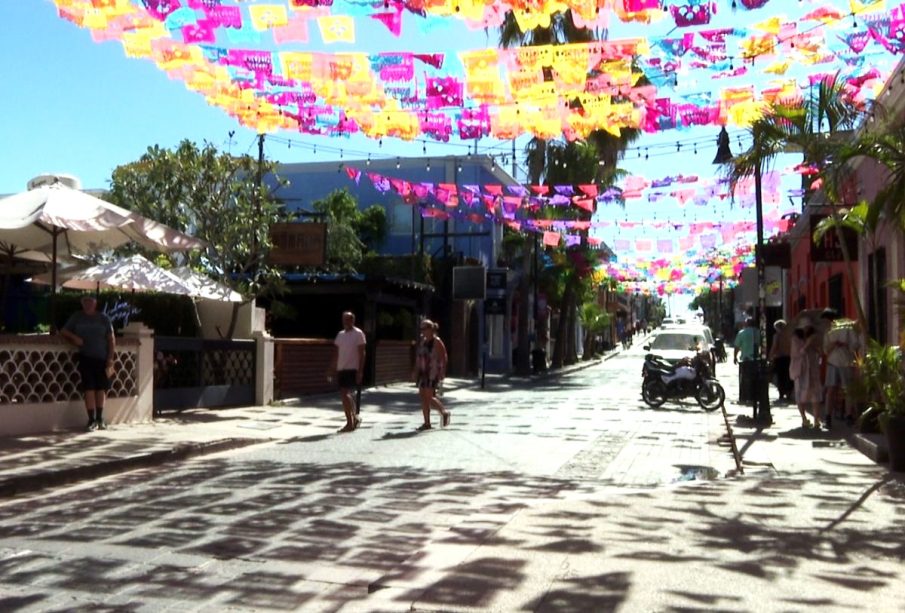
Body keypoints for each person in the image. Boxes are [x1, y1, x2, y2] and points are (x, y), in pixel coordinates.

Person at [59, 296, 115, 432]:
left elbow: (111, 339)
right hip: (85, 357)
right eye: (85, 302)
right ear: (82, 304)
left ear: (95, 304)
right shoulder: (77, 317)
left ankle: (100, 418)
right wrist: (75, 338)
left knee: (101, 388)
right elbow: (64, 331)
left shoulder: (103, 318)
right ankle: (91, 419)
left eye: (90, 302)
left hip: (102, 358)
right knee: (89, 388)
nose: (88, 305)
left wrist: (110, 357)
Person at [821, 308, 862, 427]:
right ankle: (831, 416)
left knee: (843, 390)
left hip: (843, 362)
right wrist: (835, 345)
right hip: (836, 362)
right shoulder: (830, 330)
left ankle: (844, 415)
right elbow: (826, 349)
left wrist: (844, 345)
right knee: (835, 390)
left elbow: (855, 344)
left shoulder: (846, 328)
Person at [328, 311, 366, 433]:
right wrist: (331, 368)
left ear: (352, 320)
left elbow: (362, 353)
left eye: (348, 319)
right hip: (341, 368)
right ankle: (354, 418)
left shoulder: (358, 334)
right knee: (345, 395)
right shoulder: (340, 335)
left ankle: (350, 422)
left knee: (345, 394)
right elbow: (336, 353)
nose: (346, 321)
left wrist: (360, 371)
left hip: (352, 368)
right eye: (344, 319)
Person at [413, 319, 450, 431]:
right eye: (422, 329)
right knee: (423, 397)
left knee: (429, 396)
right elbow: (419, 357)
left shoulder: (437, 341)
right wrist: (415, 370)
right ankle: (426, 423)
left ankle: (444, 412)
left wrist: (442, 371)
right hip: (423, 372)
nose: (423, 331)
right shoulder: (423, 341)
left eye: (424, 329)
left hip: (432, 372)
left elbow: (444, 356)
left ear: (430, 329)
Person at [790, 317, 824, 429]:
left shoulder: (814, 338)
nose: (807, 329)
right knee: (800, 395)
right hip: (800, 370)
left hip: (812, 369)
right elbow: (797, 354)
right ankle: (804, 418)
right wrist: (807, 344)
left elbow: (820, 352)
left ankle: (816, 419)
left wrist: (815, 346)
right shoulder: (795, 339)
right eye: (805, 327)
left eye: (808, 327)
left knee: (816, 395)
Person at [733, 317, 760, 405]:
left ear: (746, 324)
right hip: (756, 359)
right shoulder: (758, 332)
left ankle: (744, 397)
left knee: (744, 379)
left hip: (745, 359)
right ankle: (754, 396)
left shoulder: (742, 333)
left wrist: (735, 357)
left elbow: (737, 346)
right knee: (755, 379)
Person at [769, 319, 793, 402]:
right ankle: (789, 393)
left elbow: (775, 346)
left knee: (780, 376)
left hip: (779, 357)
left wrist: (770, 356)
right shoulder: (790, 335)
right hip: (789, 356)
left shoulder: (777, 336)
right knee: (789, 375)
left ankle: (781, 394)